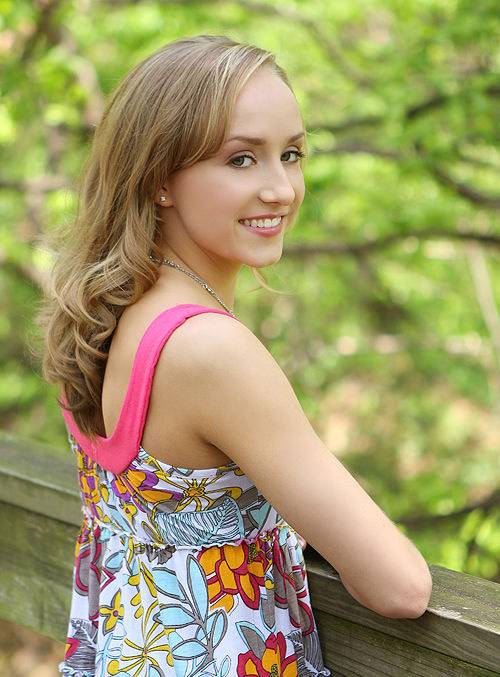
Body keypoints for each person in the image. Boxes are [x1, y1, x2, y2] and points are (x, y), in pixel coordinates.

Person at [37, 34, 432, 676]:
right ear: (160, 179)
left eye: (291, 154)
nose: (282, 189)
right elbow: (400, 587)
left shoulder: (108, 314)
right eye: (242, 159)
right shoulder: (208, 349)